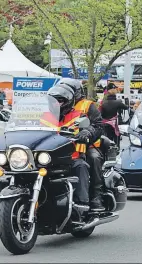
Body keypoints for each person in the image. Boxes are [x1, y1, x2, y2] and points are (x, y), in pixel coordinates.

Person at [57, 79, 105, 211]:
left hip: (87, 144)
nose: (61, 96)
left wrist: (88, 132)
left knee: (94, 158)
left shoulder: (87, 105)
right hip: (60, 145)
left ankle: (96, 196)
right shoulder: (56, 107)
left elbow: (98, 125)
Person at [41, 85, 90, 207]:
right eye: (54, 101)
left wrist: (86, 132)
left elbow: (89, 127)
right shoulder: (43, 117)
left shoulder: (79, 116)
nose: (56, 104)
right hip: (47, 158)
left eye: (60, 101)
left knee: (81, 166)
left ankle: (82, 203)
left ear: (68, 102)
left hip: (70, 158)